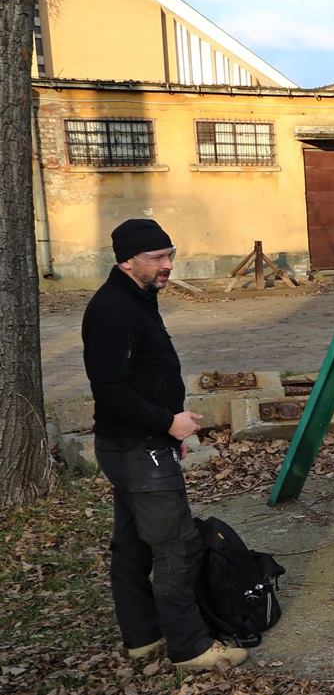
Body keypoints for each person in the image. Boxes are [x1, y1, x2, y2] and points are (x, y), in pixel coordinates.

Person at [83, 219, 245, 671]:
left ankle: (143, 637)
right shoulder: (114, 309)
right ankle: (190, 646)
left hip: (138, 444)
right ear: (127, 259)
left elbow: (141, 377)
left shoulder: (138, 298)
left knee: (133, 544)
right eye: (157, 258)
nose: (167, 266)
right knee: (177, 545)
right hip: (135, 446)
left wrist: (166, 429)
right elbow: (110, 388)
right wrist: (166, 424)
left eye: (170, 255)